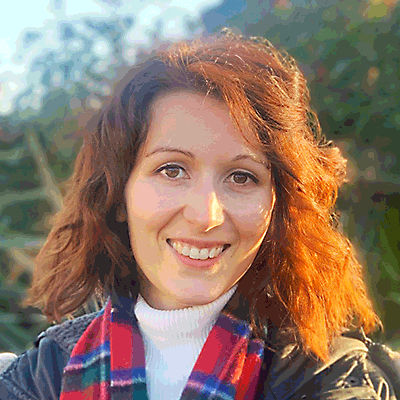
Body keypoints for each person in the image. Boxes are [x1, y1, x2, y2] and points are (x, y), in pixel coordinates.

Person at [0, 31, 396, 400]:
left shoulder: (329, 375)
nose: (206, 216)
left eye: (242, 177)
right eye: (172, 170)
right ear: (119, 194)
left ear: (278, 206)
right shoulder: (42, 376)